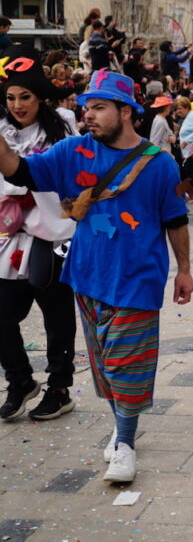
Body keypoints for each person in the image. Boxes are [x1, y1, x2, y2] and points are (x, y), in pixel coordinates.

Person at [0, 68, 193, 483]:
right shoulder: (72, 151)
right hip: (87, 275)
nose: (89, 115)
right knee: (106, 368)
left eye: (100, 107)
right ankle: (123, 427)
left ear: (126, 112)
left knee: (128, 364)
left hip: (139, 279)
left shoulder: (160, 165)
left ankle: (124, 443)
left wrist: (184, 271)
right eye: (87, 107)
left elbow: (176, 219)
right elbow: (20, 172)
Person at [0, 47, 77, 422]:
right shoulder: (2, 131)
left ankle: (59, 388)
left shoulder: (62, 126)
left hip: (54, 235)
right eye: (11, 97)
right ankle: (20, 380)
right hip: (9, 239)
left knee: (57, 317)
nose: (17, 105)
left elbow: (69, 175)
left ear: (39, 96)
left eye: (25, 96)